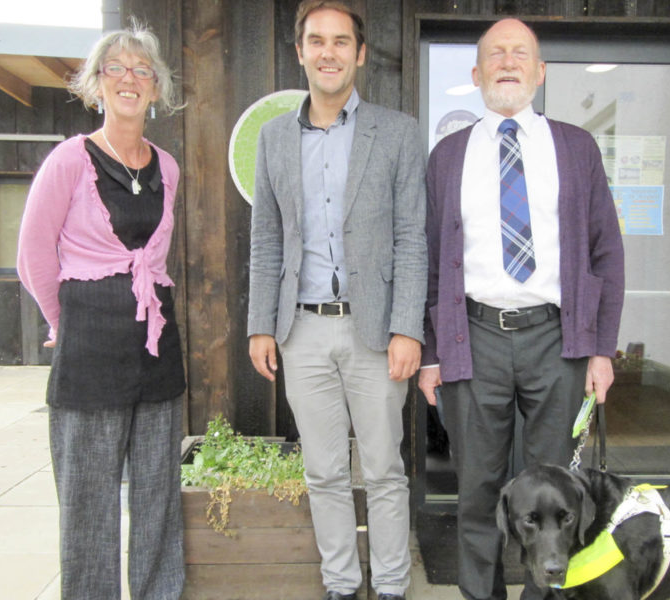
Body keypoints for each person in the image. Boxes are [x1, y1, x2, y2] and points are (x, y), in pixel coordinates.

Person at [418, 18, 625, 600]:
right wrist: (432, 353)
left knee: (556, 492)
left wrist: (601, 347)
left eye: (521, 54)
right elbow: (431, 259)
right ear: (478, 73)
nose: (507, 62)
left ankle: (546, 595)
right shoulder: (449, 155)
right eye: (495, 55)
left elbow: (607, 251)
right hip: (474, 337)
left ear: (539, 72)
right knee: (479, 489)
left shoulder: (576, 147)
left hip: (557, 340)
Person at [247, 2, 426, 599]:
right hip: (301, 333)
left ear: (360, 53)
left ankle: (394, 586)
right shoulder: (273, 139)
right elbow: (266, 240)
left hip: (375, 333)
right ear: (299, 51)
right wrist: (260, 326)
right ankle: (342, 586)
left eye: (341, 41)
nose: (329, 52)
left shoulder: (397, 132)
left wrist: (408, 327)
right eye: (317, 41)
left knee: (383, 472)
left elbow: (411, 238)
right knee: (323, 472)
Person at [16, 22, 186, 600]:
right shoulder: (70, 160)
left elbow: (155, 261)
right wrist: (62, 324)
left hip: (156, 348)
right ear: (96, 84)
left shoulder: (167, 167)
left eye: (142, 69)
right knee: (88, 497)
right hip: (89, 347)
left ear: (156, 88)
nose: (129, 78)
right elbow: (34, 254)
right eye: (116, 68)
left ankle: (158, 592)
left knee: (157, 492)